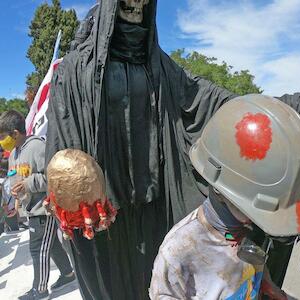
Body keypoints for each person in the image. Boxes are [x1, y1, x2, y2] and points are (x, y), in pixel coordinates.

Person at [45, 1, 235, 299]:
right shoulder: (75, 68)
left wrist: (280, 108)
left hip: (155, 205)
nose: (137, 4)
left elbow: (206, 99)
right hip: (107, 216)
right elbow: (63, 138)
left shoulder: (161, 66)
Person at [149, 95, 300, 299]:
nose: (261, 223)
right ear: (223, 192)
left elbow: (254, 266)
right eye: (258, 214)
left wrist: (270, 288)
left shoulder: (249, 225)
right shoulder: (179, 252)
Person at [0, 111, 75, 300]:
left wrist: (28, 183)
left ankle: (39, 290)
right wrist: (13, 201)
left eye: (2, 136)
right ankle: (68, 275)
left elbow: (53, 176)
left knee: (37, 248)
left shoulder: (37, 147)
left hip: (44, 208)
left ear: (15, 133)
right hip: (29, 208)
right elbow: (14, 179)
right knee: (53, 246)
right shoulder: (14, 154)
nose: (1, 141)